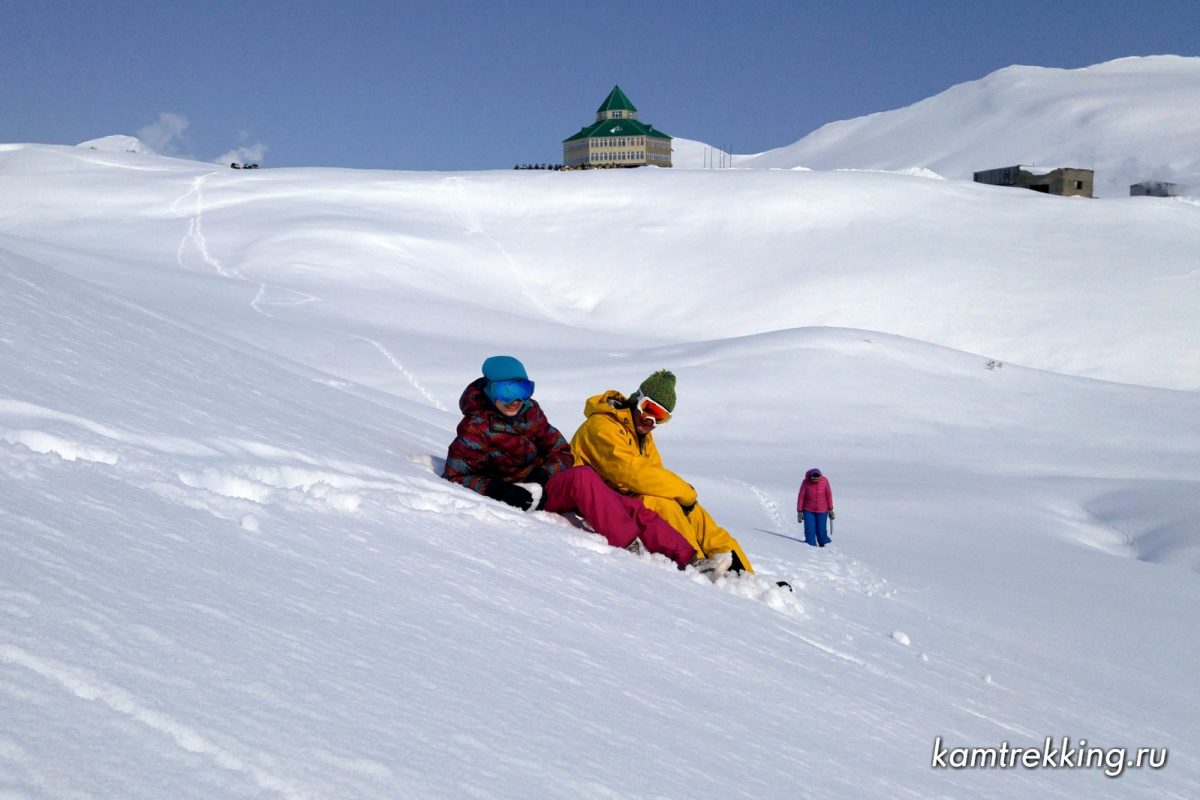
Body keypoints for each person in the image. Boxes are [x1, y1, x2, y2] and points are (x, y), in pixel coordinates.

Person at [442, 356, 696, 568]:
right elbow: (455, 475)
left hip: (544, 487)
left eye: (523, 390)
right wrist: (498, 490)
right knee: (585, 477)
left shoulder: (530, 412)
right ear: (490, 390)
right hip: (516, 494)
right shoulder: (475, 427)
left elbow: (562, 451)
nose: (516, 401)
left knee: (623, 501)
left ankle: (687, 557)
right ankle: (629, 545)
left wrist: (541, 477)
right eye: (507, 392)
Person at [570, 369, 754, 579]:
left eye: (660, 417)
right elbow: (630, 473)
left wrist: (686, 499)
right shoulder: (602, 426)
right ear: (637, 399)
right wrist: (684, 491)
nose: (651, 421)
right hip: (597, 501)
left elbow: (655, 472)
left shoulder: (641, 435)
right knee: (660, 503)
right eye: (649, 409)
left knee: (694, 511)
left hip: (625, 498)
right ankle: (701, 566)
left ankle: (743, 574)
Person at [796, 467, 835, 547]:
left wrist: (830, 509)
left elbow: (828, 495)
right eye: (813, 478)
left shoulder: (824, 481)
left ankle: (822, 545)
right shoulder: (805, 482)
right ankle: (810, 546)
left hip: (822, 510)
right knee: (810, 530)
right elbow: (801, 497)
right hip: (808, 510)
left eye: (817, 477)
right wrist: (799, 511)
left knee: (821, 530)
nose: (815, 479)